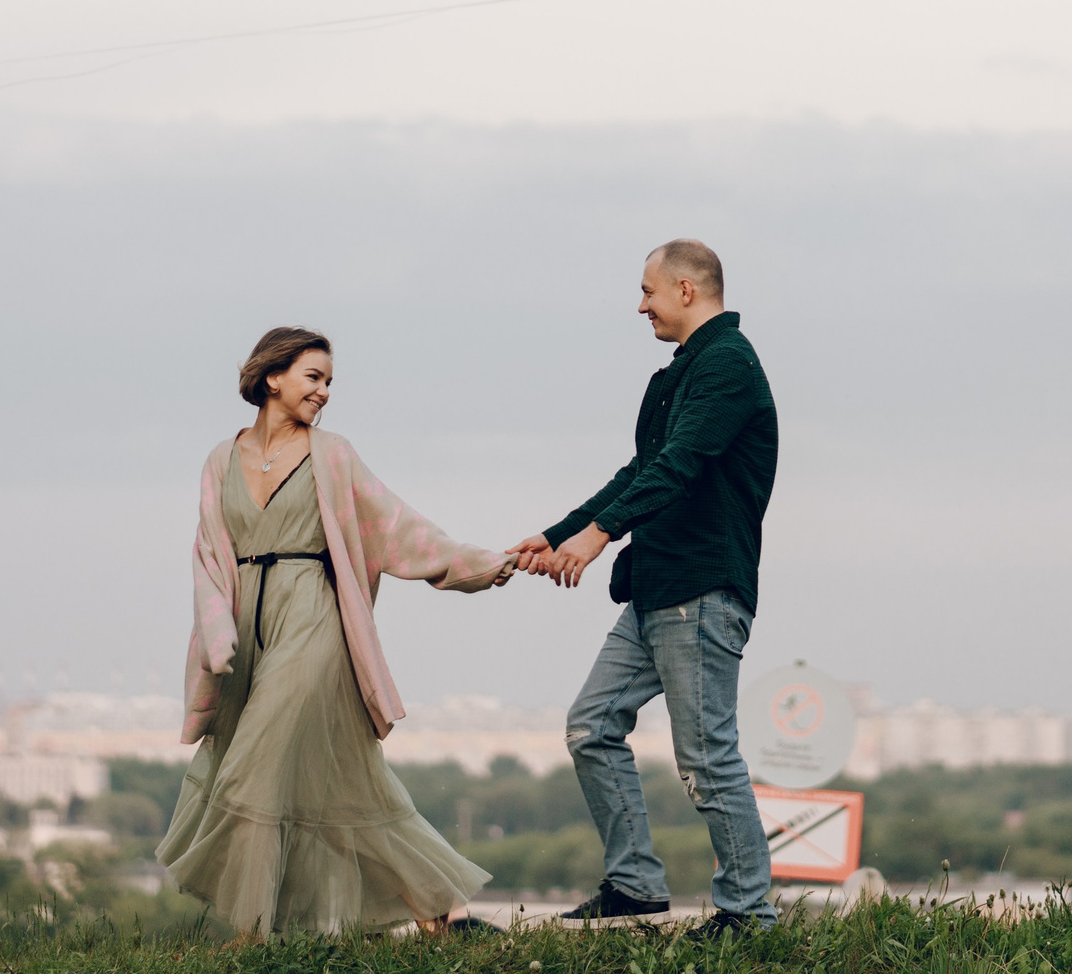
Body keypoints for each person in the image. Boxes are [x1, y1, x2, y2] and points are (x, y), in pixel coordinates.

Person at [157, 326, 514, 938]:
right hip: (244, 633)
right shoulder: (220, 460)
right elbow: (208, 557)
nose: (323, 393)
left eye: (328, 383)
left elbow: (396, 527)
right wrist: (217, 634)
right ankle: (442, 916)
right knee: (343, 786)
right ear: (273, 376)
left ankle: (252, 937)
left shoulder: (334, 455)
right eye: (313, 378)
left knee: (254, 769)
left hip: (314, 618)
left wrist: (478, 565)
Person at [510, 240, 779, 938]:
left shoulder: (727, 366)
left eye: (648, 291)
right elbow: (643, 467)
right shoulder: (682, 372)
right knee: (591, 725)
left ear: (686, 289)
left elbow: (681, 467)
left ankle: (749, 912)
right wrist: (559, 530)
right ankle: (634, 882)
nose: (641, 305)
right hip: (656, 589)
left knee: (707, 758)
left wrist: (598, 536)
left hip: (701, 590)